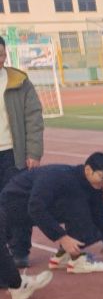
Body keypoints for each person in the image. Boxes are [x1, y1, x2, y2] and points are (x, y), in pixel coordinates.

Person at [2, 155, 103, 276]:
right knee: (79, 206)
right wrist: (62, 237)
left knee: (93, 212)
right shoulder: (59, 177)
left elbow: (102, 216)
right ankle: (76, 260)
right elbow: (36, 207)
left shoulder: (94, 186)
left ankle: (63, 256)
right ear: (88, 170)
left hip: (29, 205)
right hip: (12, 207)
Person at [1, 36, 46, 197]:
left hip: (13, 156)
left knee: (15, 202)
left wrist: (34, 153)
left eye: (1, 54)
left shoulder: (19, 81)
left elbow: (34, 119)